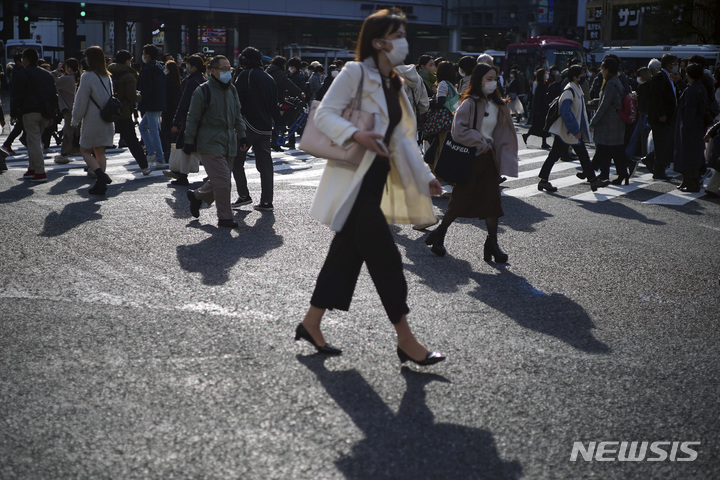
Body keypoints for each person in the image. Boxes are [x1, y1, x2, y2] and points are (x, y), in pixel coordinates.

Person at [299, 8, 445, 366]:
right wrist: (356, 134)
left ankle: (311, 323)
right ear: (379, 41)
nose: (404, 42)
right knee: (388, 260)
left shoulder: (394, 82)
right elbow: (323, 114)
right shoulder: (355, 73)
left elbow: (404, 140)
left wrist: (426, 175)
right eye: (398, 35)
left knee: (343, 259)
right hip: (354, 183)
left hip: (377, 184)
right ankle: (406, 340)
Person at [424, 62, 518, 261]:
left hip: (489, 159)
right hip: (471, 158)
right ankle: (440, 234)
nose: (492, 83)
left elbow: (503, 134)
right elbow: (458, 130)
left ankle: (492, 243)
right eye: (488, 79)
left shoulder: (498, 104)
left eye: (495, 79)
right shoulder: (470, 102)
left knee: (493, 201)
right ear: (479, 80)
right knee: (461, 200)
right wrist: (480, 141)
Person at [184, 55, 248, 228]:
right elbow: (192, 118)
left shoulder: (231, 90)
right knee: (222, 181)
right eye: (224, 69)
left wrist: (242, 135)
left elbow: (237, 115)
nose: (228, 72)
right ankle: (225, 217)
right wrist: (188, 140)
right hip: (209, 141)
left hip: (229, 142)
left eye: (230, 68)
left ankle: (196, 196)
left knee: (222, 178)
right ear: (212, 71)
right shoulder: (202, 91)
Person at [539, 65, 608, 193]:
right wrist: (576, 130)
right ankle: (593, 180)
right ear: (575, 77)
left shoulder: (575, 89)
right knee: (582, 155)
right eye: (582, 75)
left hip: (566, 131)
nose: (584, 77)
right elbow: (566, 113)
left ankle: (543, 180)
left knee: (556, 155)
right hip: (568, 131)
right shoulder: (569, 91)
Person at [232, 46, 281, 211]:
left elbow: (235, 100)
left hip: (248, 125)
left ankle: (244, 195)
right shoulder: (269, 78)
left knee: (236, 160)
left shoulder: (246, 75)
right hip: (266, 127)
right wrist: (278, 125)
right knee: (265, 165)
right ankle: (267, 201)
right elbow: (274, 105)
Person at [9, 48, 58, 183]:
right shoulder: (47, 75)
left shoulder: (22, 74)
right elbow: (53, 96)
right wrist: (52, 114)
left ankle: (40, 171)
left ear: (26, 59)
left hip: (30, 111)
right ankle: (32, 168)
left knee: (34, 141)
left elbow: (17, 96)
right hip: (45, 113)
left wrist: (13, 113)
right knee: (33, 141)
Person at [71, 46, 115, 195]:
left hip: (92, 120)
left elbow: (80, 101)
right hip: (107, 120)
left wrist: (75, 119)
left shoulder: (87, 76)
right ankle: (100, 183)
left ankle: (101, 175)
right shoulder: (107, 76)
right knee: (100, 151)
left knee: (84, 150)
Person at [108, 50, 151, 175]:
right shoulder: (128, 76)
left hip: (108, 110)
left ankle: (93, 166)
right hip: (123, 112)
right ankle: (144, 166)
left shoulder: (109, 73)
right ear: (128, 61)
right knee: (132, 140)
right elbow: (132, 96)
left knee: (102, 141)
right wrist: (140, 96)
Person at [165, 54, 206, 186]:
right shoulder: (203, 80)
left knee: (190, 147)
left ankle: (214, 173)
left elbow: (184, 103)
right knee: (187, 147)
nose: (187, 67)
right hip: (202, 118)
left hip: (190, 119)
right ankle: (183, 175)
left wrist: (176, 122)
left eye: (188, 65)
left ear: (193, 67)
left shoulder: (191, 82)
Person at [589, 57, 630, 185]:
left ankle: (590, 171)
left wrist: (593, 121)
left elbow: (605, 104)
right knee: (615, 150)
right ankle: (623, 174)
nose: (601, 71)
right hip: (616, 122)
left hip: (610, 122)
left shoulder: (611, 83)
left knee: (604, 148)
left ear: (607, 69)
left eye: (602, 68)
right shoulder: (616, 81)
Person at [673, 64, 708, 193]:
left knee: (689, 156)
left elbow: (690, 110)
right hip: (697, 126)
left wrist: (686, 127)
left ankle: (692, 183)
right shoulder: (699, 87)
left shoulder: (692, 90)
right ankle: (687, 181)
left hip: (690, 128)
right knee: (691, 155)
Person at [647, 54, 679, 180]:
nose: (676, 66)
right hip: (661, 118)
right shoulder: (660, 77)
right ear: (669, 64)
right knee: (661, 144)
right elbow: (657, 98)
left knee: (665, 144)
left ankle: (651, 161)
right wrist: (661, 114)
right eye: (675, 64)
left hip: (669, 116)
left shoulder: (669, 77)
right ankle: (659, 170)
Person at [137, 44, 167, 170]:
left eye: (144, 53)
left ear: (147, 55)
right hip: (159, 102)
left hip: (151, 103)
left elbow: (147, 88)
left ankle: (159, 158)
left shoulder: (148, 69)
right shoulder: (159, 67)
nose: (143, 56)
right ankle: (151, 153)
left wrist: (141, 98)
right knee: (143, 126)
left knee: (153, 131)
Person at [266, 55, 303, 151]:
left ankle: (274, 140)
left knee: (272, 121)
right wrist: (300, 93)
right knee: (287, 111)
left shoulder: (268, 71)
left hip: (267, 100)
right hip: (277, 101)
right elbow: (288, 84)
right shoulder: (280, 73)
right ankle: (275, 140)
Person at [54, 58, 82, 165]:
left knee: (68, 131)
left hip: (69, 109)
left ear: (68, 68)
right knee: (76, 131)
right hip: (78, 107)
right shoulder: (77, 78)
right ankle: (76, 150)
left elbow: (50, 79)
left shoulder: (67, 79)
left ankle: (65, 153)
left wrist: (57, 71)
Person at [522, 68, 551, 149]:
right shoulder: (540, 85)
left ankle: (543, 142)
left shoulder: (544, 84)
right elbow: (537, 99)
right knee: (539, 126)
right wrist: (537, 110)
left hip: (543, 108)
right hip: (540, 109)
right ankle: (527, 136)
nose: (547, 75)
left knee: (542, 126)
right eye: (545, 73)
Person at [161, 60, 182, 163]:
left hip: (167, 112)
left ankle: (167, 155)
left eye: (166, 68)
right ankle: (172, 155)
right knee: (173, 136)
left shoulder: (167, 81)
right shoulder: (178, 82)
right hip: (174, 112)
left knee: (166, 135)